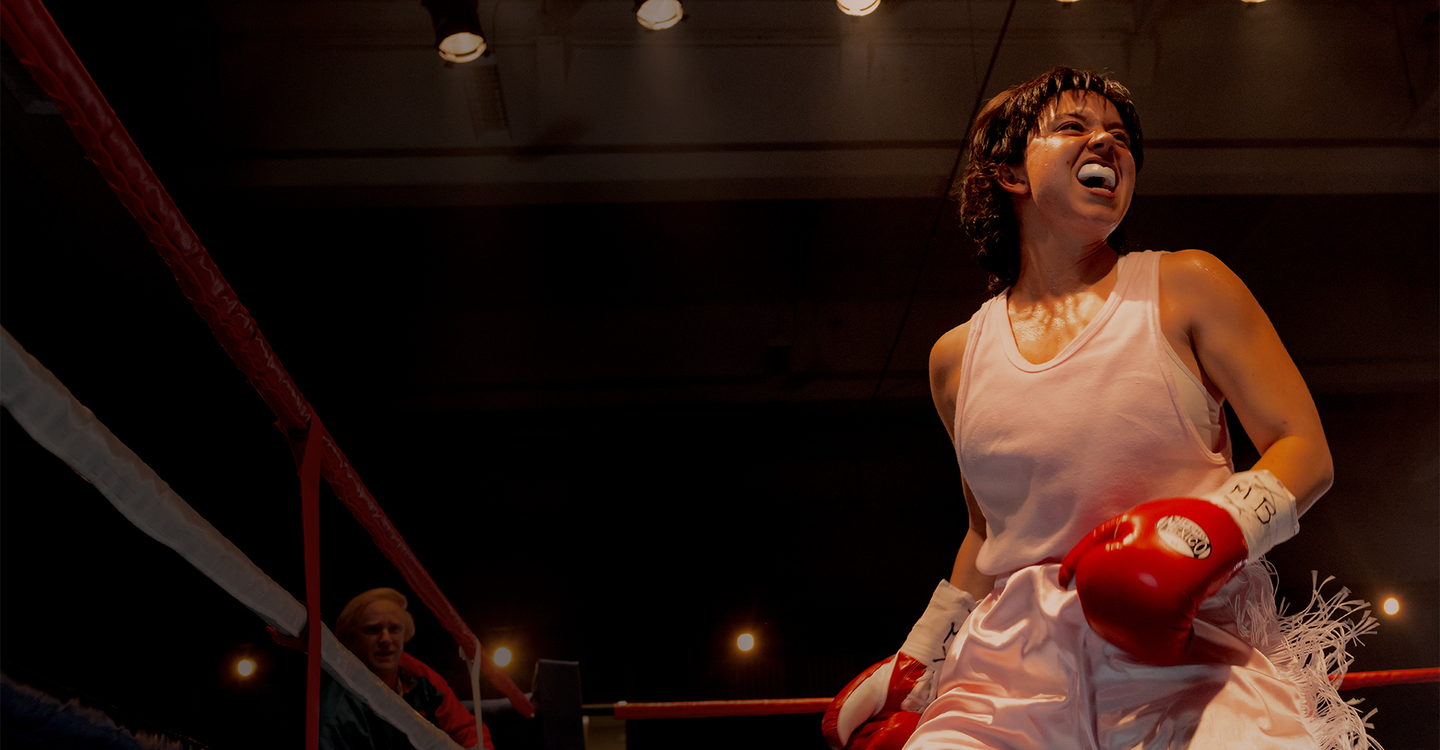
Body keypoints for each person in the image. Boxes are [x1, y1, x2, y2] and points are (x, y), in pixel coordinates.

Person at [822, 67, 1375, 750]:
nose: (1107, 143)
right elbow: (987, 531)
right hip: (1006, 681)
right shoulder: (956, 359)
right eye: (1073, 127)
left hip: (1188, 660)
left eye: (1119, 136)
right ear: (1010, 173)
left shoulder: (1187, 286)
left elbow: (1303, 448)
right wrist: (922, 654)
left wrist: (1200, 539)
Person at [321, 588, 492, 750]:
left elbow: (468, 730)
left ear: (405, 633)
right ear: (350, 639)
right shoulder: (334, 710)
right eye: (373, 629)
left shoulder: (420, 677)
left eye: (394, 629)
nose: (386, 639)